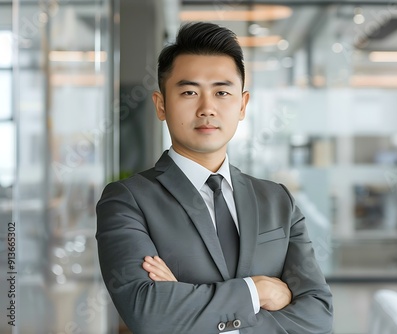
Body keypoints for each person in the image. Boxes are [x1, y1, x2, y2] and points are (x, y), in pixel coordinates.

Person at [96, 22, 333, 334]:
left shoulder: (277, 200)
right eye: (189, 92)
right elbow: (149, 313)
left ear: (242, 105)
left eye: (222, 92)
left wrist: (187, 307)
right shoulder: (127, 200)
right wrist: (256, 292)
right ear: (161, 105)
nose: (207, 108)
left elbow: (318, 317)